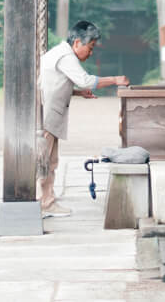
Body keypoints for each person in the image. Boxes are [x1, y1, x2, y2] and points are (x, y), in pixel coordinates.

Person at [37, 20, 128, 216]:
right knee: (46, 161)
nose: (91, 52)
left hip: (47, 115)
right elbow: (85, 80)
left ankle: (46, 198)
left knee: (50, 160)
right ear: (77, 43)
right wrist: (115, 80)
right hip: (47, 117)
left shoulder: (58, 53)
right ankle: (45, 202)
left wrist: (78, 93)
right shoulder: (66, 56)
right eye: (91, 47)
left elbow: (55, 85)